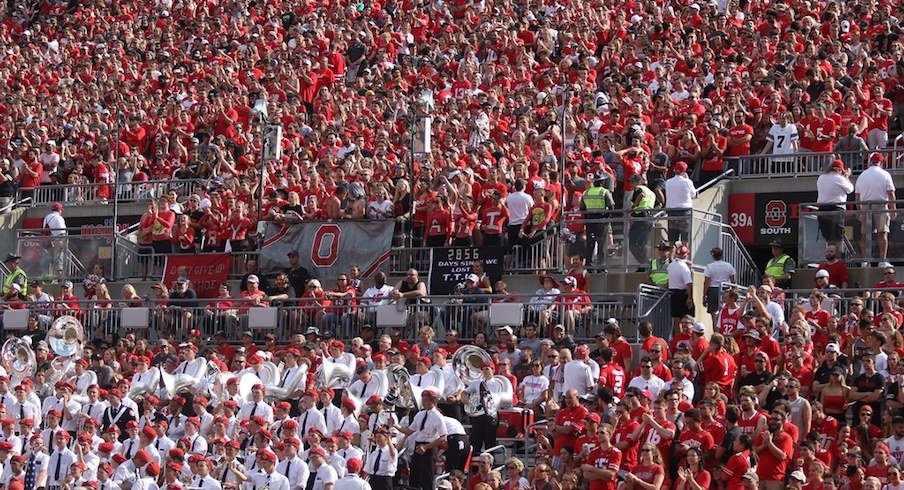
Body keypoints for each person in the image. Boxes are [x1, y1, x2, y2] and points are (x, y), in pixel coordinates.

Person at [391, 390, 447, 490]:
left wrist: (426, 447)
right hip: (418, 445)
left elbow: (443, 437)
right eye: (423, 400)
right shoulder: (420, 415)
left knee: (427, 477)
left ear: (432, 401)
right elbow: (409, 431)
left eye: (426, 400)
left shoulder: (438, 416)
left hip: (429, 447)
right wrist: (395, 425)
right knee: (414, 475)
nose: (423, 402)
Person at [855, 153, 896, 267]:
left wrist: (859, 210)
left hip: (865, 206)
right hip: (880, 205)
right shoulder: (885, 174)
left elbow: (857, 196)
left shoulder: (862, 175)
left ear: (870, 162)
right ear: (881, 162)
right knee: (882, 233)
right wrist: (893, 209)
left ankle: (865, 260)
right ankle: (882, 260)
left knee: (865, 234)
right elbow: (891, 193)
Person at [581, 171, 615, 271]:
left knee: (590, 243)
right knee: (602, 243)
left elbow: (582, 208)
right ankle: (601, 266)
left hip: (590, 220)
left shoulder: (586, 192)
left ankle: (589, 265)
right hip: (601, 219)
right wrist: (608, 216)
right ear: (602, 182)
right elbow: (611, 206)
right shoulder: (604, 191)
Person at [815, 160, 854, 246]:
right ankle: (836, 257)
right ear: (840, 170)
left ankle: (829, 255)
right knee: (837, 235)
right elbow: (850, 189)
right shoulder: (839, 178)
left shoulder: (821, 177)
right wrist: (847, 177)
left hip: (822, 208)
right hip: (836, 208)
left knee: (827, 236)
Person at [627, 174, 656, 270]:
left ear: (639, 182)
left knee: (632, 245)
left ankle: (645, 264)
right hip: (647, 218)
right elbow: (659, 203)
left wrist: (632, 207)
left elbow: (641, 195)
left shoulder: (639, 189)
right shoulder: (651, 192)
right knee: (641, 244)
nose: (631, 184)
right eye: (630, 182)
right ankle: (645, 265)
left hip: (640, 218)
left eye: (633, 182)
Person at [663, 162, 696, 245]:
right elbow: (693, 194)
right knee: (685, 238)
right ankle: (684, 255)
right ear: (684, 171)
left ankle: (671, 257)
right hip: (684, 211)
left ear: (674, 170)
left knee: (672, 239)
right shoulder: (688, 182)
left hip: (671, 211)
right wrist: (687, 179)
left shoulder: (668, 182)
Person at [702, 247, 736, 326]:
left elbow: (706, 282)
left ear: (713, 256)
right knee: (725, 310)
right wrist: (734, 292)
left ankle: (716, 332)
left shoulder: (709, 267)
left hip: (713, 290)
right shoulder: (728, 266)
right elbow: (733, 280)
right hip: (725, 289)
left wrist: (704, 295)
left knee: (714, 313)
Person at [667, 245, 694, 333]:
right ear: (685, 255)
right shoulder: (684, 267)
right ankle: (685, 337)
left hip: (672, 292)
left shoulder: (671, 265)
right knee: (687, 318)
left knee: (676, 319)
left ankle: (677, 337)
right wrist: (690, 298)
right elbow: (689, 284)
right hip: (682, 293)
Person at [42, 202, 67, 282]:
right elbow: (62, 233)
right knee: (58, 261)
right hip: (57, 241)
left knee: (51, 262)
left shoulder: (46, 217)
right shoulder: (59, 218)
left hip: (48, 242)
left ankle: (52, 279)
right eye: (61, 210)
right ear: (59, 210)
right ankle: (57, 280)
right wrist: (63, 244)